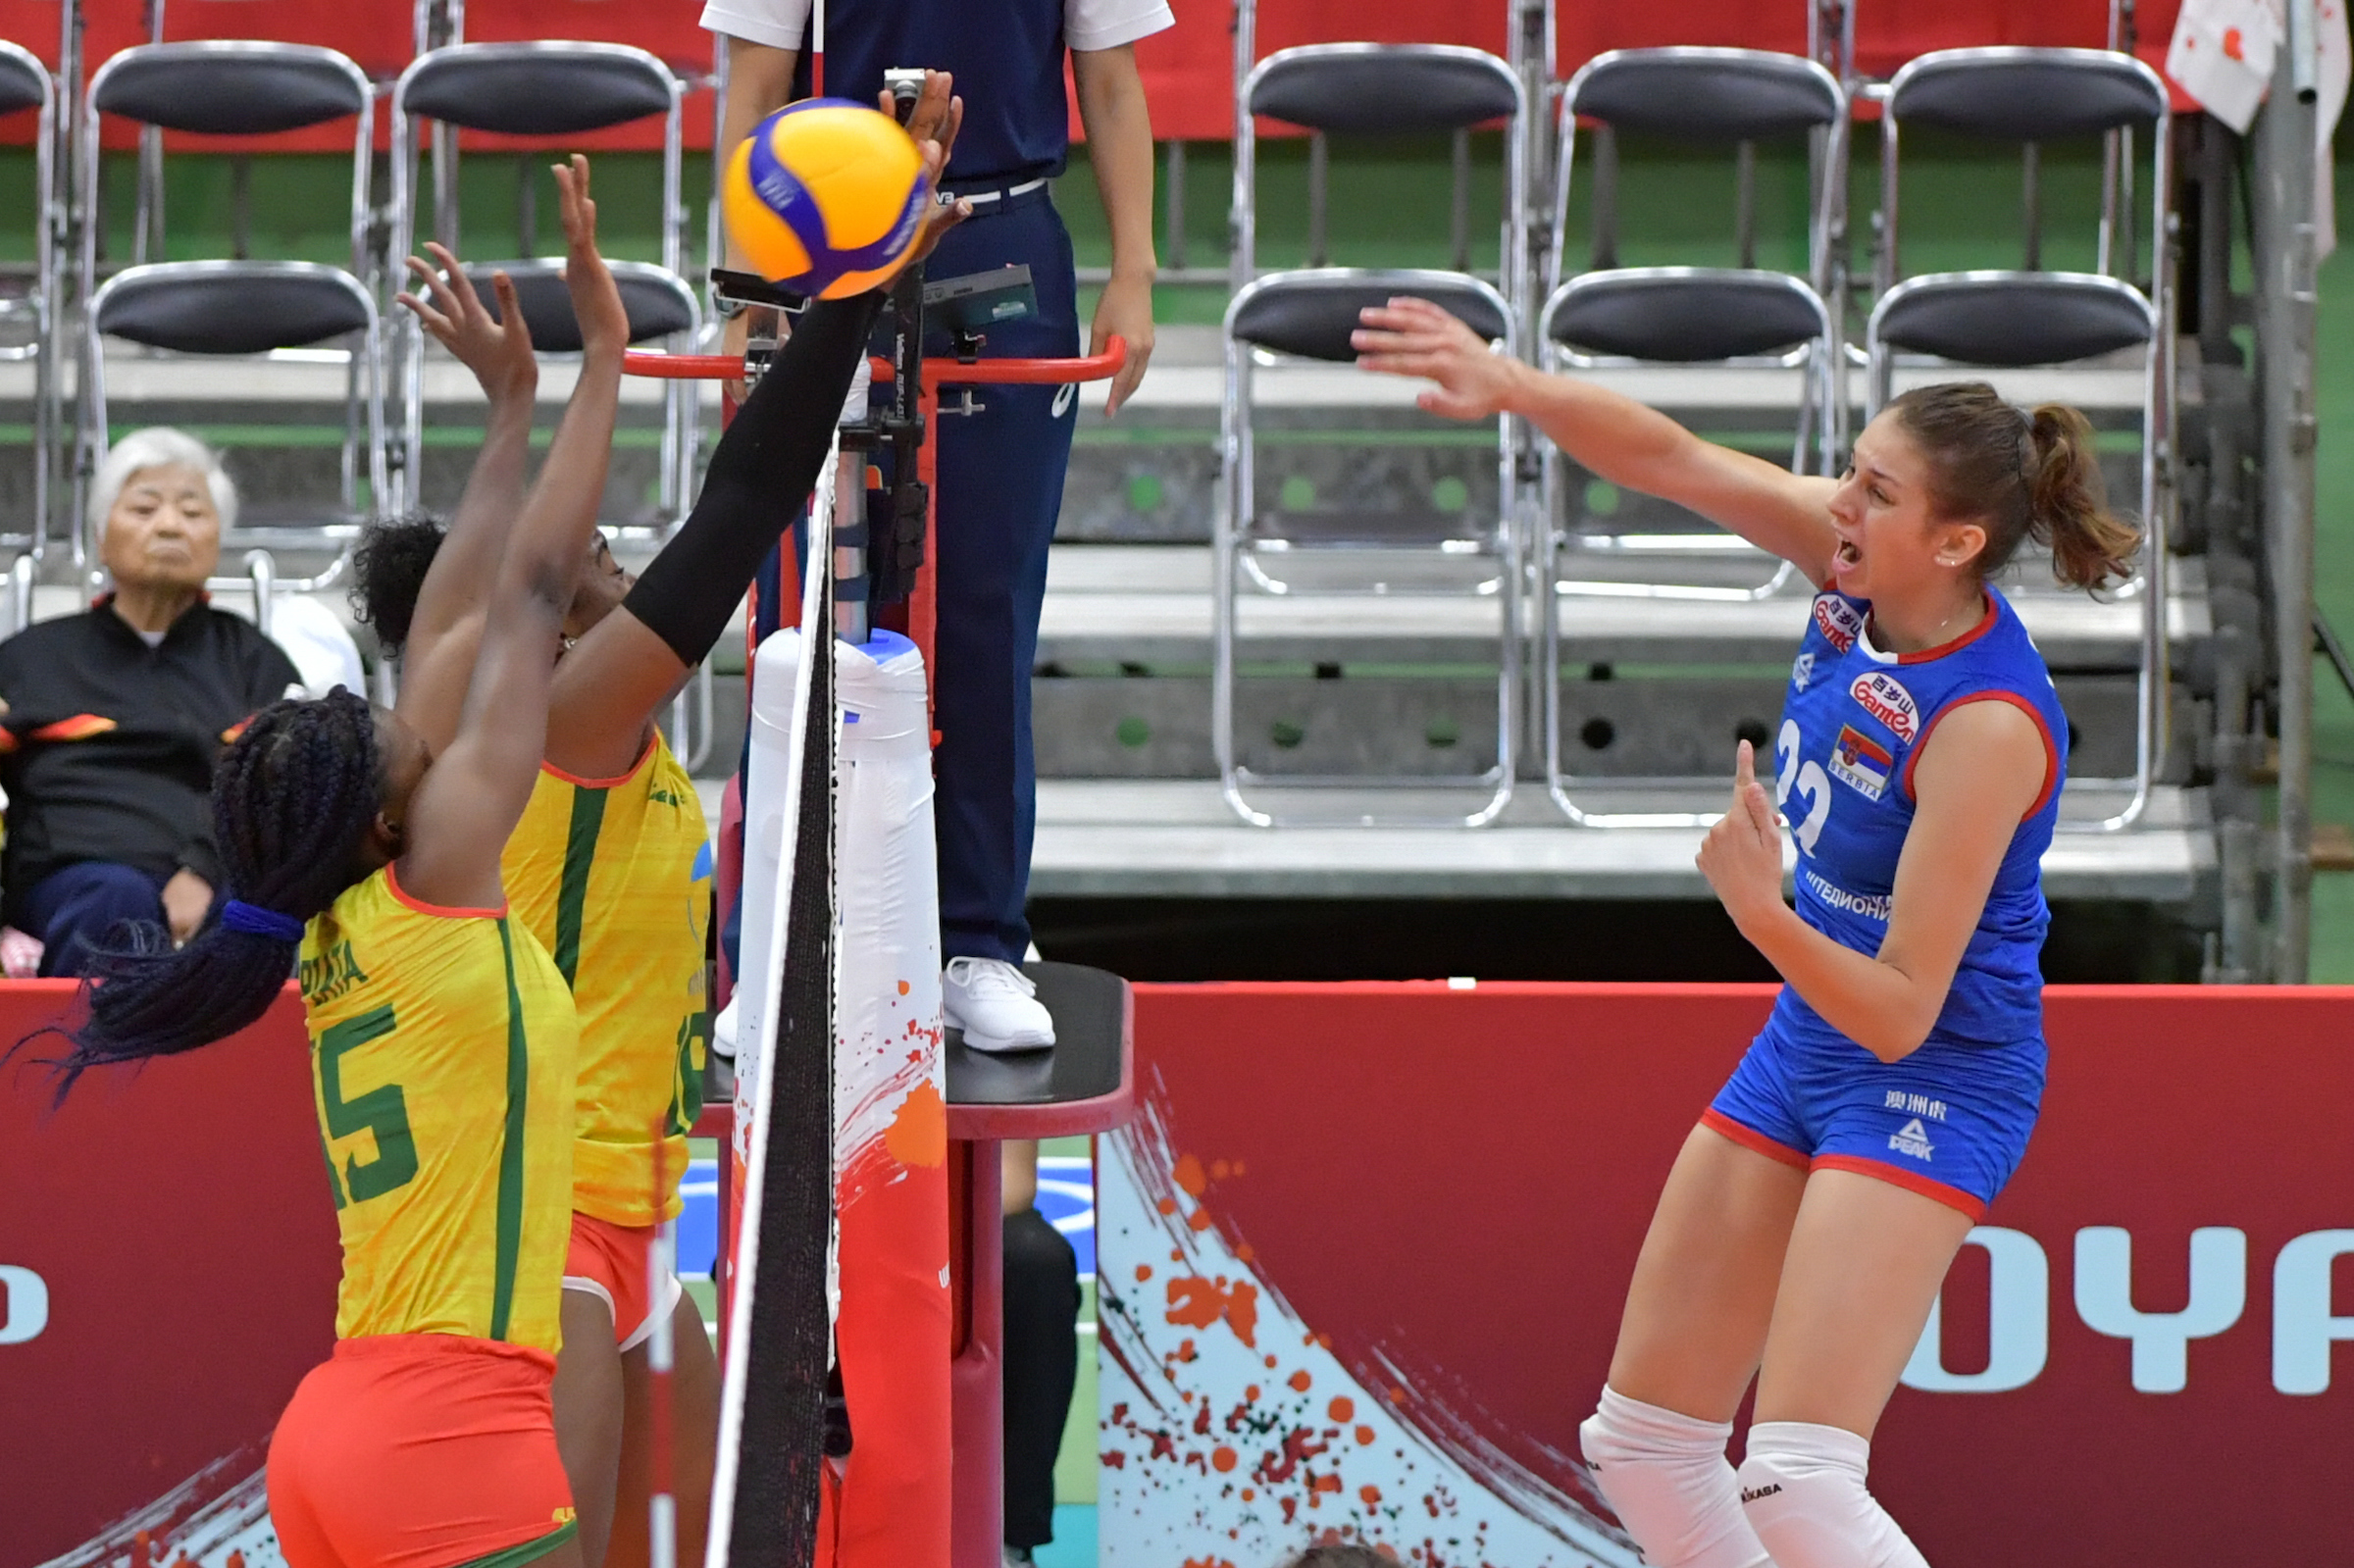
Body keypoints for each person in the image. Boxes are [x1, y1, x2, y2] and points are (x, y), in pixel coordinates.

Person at [1355, 296, 2140, 1568]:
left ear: (1956, 541)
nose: (1842, 503)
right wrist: (1515, 384)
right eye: (1852, 472)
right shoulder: (1854, 572)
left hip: (1936, 1069)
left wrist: (1762, 911)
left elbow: (1904, 1009)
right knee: (1642, 1443)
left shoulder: (1986, 723)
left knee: (1797, 1481)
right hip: (1810, 1038)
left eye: (1876, 492)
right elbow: (1673, 457)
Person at [351, 81, 966, 1568]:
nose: (609, 546)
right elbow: (738, 512)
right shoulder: (562, 728)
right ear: (534, 621)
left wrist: (521, 407)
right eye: (580, 554)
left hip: (630, 1212)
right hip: (543, 1231)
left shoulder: (489, 729)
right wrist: (852, 292)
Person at [41, 156, 628, 1568]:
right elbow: (525, 598)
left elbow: (449, 620)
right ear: (387, 817)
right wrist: (602, 354)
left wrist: (508, 410)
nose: (399, 705)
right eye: (383, 728)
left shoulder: (332, 911)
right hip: (454, 1438)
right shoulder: (439, 879)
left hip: (337, 1436)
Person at [701, 0, 1169, 1055]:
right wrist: (752, 281)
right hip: (833, 235)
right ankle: (775, 951)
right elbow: (756, 81)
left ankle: (981, 943)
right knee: (799, 615)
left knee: (985, 612)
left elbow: (1110, 80)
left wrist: (1134, 271)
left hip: (1007, 243)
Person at [0, 429, 301, 975]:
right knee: (116, 902)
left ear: (217, 539)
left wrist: (202, 870)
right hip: (74, 880)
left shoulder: (254, 660)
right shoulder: (30, 658)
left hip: (222, 877)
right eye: (144, 508)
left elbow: (282, 784)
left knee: (255, 914)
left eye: (192, 512)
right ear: (101, 537)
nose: (169, 526)